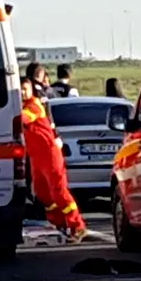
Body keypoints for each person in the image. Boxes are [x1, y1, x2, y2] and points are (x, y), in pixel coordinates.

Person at [20, 77, 88, 242]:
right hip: (36, 157)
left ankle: (77, 226)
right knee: (42, 193)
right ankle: (58, 223)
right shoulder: (23, 106)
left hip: (50, 155)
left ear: (31, 90)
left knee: (59, 192)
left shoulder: (34, 105)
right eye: (19, 90)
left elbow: (22, 119)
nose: (22, 92)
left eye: (25, 89)